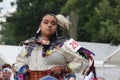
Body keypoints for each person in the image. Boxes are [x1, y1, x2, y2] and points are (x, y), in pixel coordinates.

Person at [14, 13, 94, 80]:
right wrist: (24, 70)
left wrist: (64, 68)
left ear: (56, 27)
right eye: (46, 22)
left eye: (53, 23)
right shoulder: (29, 44)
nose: (49, 25)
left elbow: (84, 61)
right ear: (40, 25)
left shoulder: (65, 44)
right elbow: (19, 62)